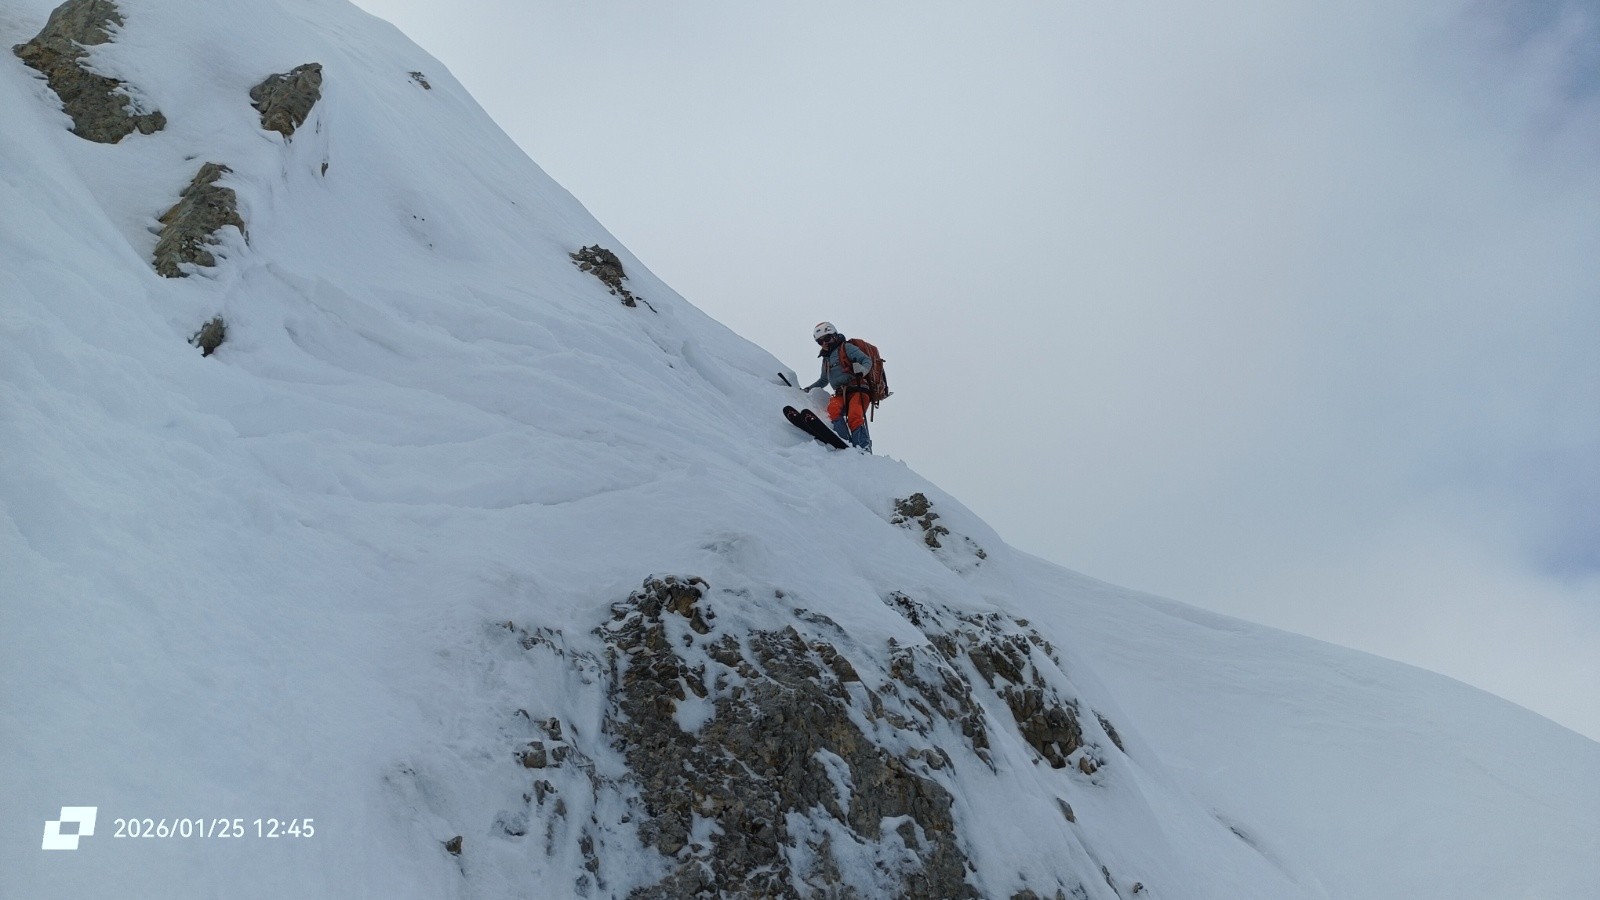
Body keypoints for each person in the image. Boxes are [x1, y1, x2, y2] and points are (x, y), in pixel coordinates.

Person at [801, 321, 872, 451]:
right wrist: (807, 389)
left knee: (854, 415)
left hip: (858, 388)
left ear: (834, 335)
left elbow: (867, 360)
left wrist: (862, 369)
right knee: (832, 411)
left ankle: (863, 447)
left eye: (826, 338)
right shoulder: (826, 359)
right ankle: (844, 441)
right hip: (841, 393)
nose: (824, 343)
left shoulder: (846, 348)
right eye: (820, 342)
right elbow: (823, 380)